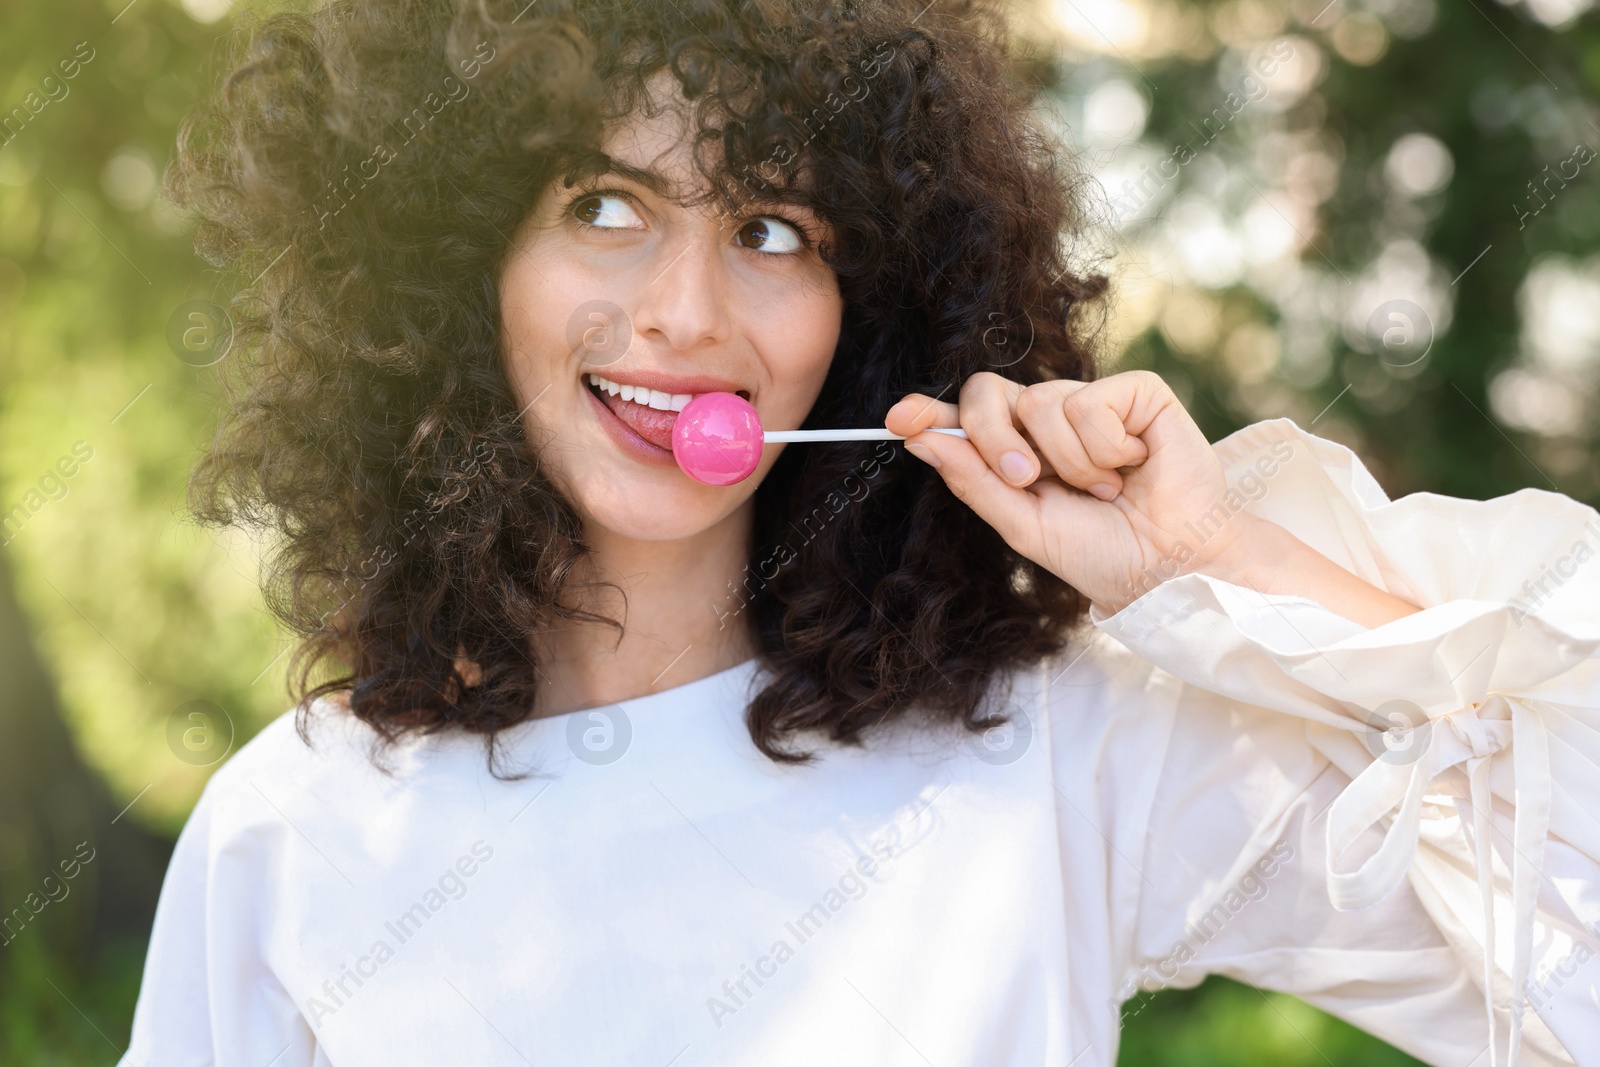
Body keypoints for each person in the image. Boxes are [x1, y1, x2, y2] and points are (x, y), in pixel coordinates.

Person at [123, 0, 1600, 1063]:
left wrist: (1211, 563)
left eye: (775, 230)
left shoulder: (1050, 751)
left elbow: (1564, 957)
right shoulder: (294, 838)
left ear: (871, 311)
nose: (690, 315)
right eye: (604, 205)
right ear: (460, 271)